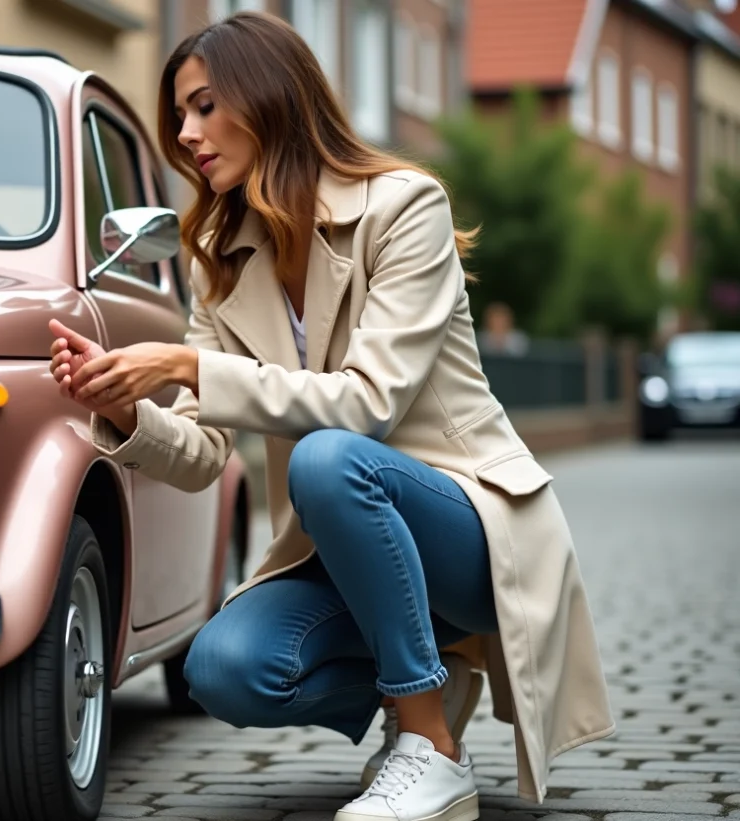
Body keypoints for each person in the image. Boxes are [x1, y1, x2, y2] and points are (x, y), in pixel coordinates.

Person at [48, 11, 614, 821]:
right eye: (180, 116)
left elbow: (368, 404)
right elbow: (204, 453)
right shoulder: (226, 263)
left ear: (268, 98)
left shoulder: (404, 208)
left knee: (325, 457)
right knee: (223, 667)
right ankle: (431, 676)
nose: (187, 134)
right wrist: (129, 409)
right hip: (347, 540)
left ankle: (428, 744)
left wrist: (186, 364)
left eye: (205, 106)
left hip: (471, 534)